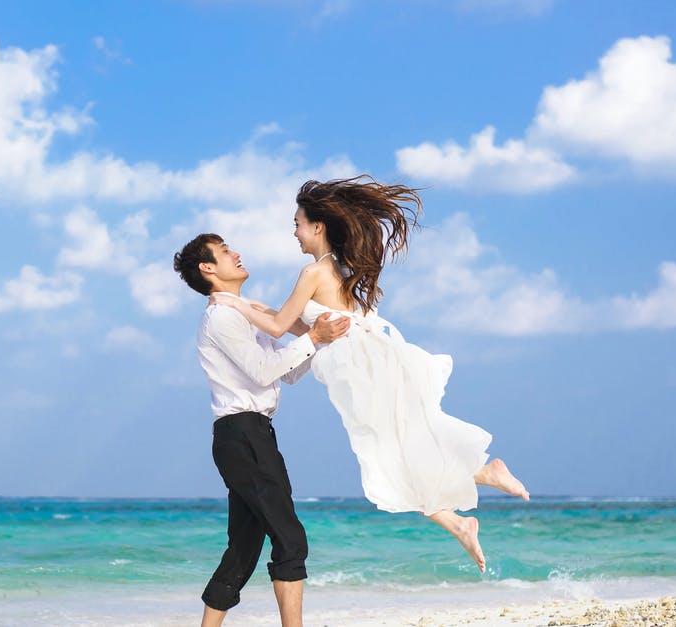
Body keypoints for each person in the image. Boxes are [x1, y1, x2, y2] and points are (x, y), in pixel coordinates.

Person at [210, 176, 530, 574]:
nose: (294, 232)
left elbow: (278, 327)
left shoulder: (312, 272)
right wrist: (255, 307)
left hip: (359, 368)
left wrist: (234, 304)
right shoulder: (339, 267)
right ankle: (459, 520)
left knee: (388, 456)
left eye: (297, 223)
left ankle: (482, 472)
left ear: (317, 226)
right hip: (375, 356)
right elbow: (297, 325)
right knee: (395, 452)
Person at [174, 233, 350, 627]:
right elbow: (264, 371)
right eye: (224, 252)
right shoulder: (221, 317)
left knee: (244, 546)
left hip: (250, 434)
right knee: (290, 539)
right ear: (207, 268)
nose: (236, 253)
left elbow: (285, 374)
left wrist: (316, 340)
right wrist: (312, 339)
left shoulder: (242, 314)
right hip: (243, 434)